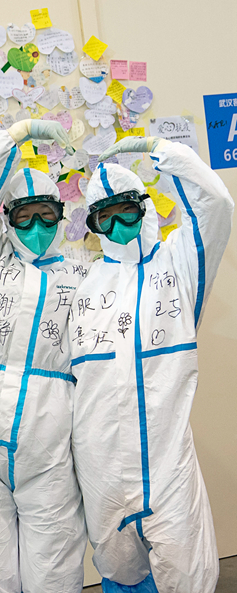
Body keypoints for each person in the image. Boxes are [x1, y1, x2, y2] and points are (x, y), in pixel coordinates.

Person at [69, 137, 233, 593]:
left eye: (128, 209)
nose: (119, 224)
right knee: (119, 570)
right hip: (99, 462)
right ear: (94, 224)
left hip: (166, 461)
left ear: (144, 208)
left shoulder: (178, 264)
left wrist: (164, 151)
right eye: (106, 216)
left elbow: (216, 206)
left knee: (187, 571)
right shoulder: (85, 284)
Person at [0, 119, 89, 593]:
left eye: (47, 215)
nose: (37, 227)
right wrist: (15, 135)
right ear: (7, 219)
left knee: (54, 561)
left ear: (61, 217)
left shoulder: (81, 277)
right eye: (25, 216)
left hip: (49, 426)